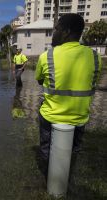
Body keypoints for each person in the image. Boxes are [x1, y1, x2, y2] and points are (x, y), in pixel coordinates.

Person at [35, 14, 102, 177]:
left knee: (46, 148)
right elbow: (92, 82)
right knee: (74, 150)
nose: (54, 33)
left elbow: (39, 80)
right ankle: (67, 175)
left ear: (66, 32)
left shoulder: (47, 56)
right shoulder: (95, 57)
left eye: (56, 29)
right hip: (79, 118)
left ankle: (48, 178)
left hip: (51, 117)